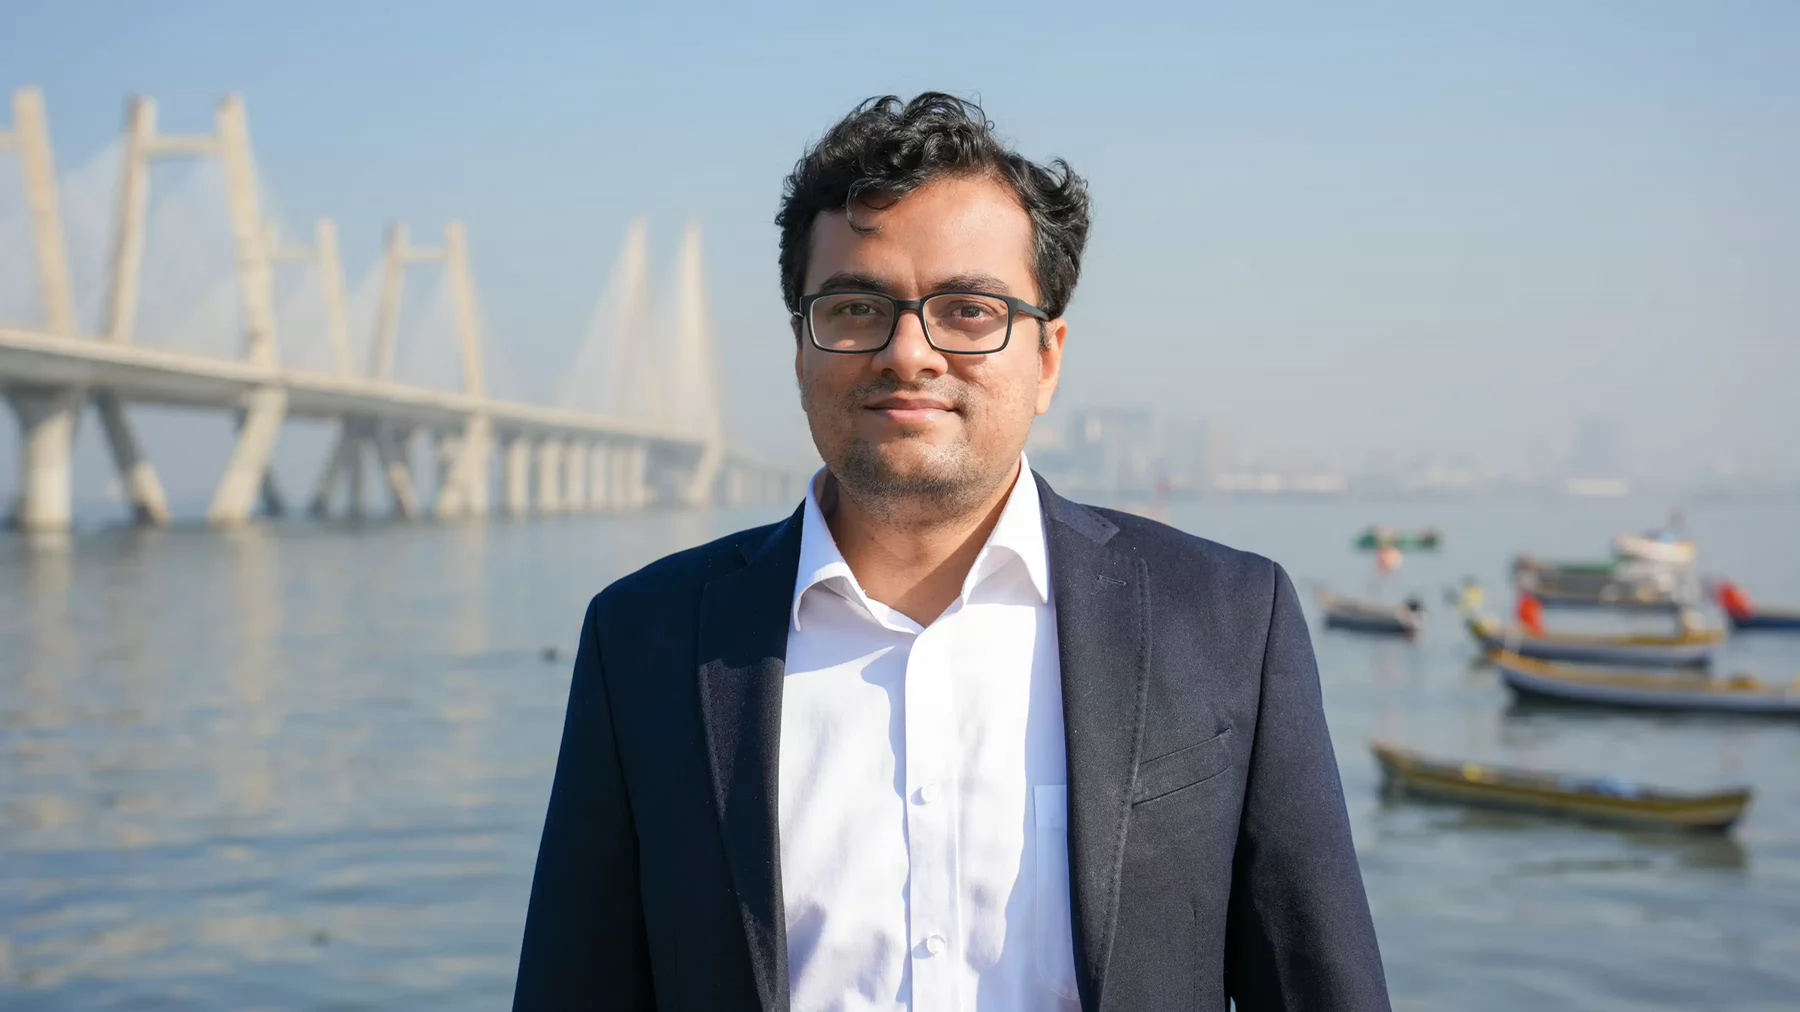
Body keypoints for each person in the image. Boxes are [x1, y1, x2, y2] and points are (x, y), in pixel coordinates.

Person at [513, 93, 1390, 1011]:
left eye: (969, 310)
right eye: (855, 307)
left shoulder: (1225, 621)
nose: (908, 352)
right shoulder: (648, 640)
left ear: (1047, 358)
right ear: (801, 350)